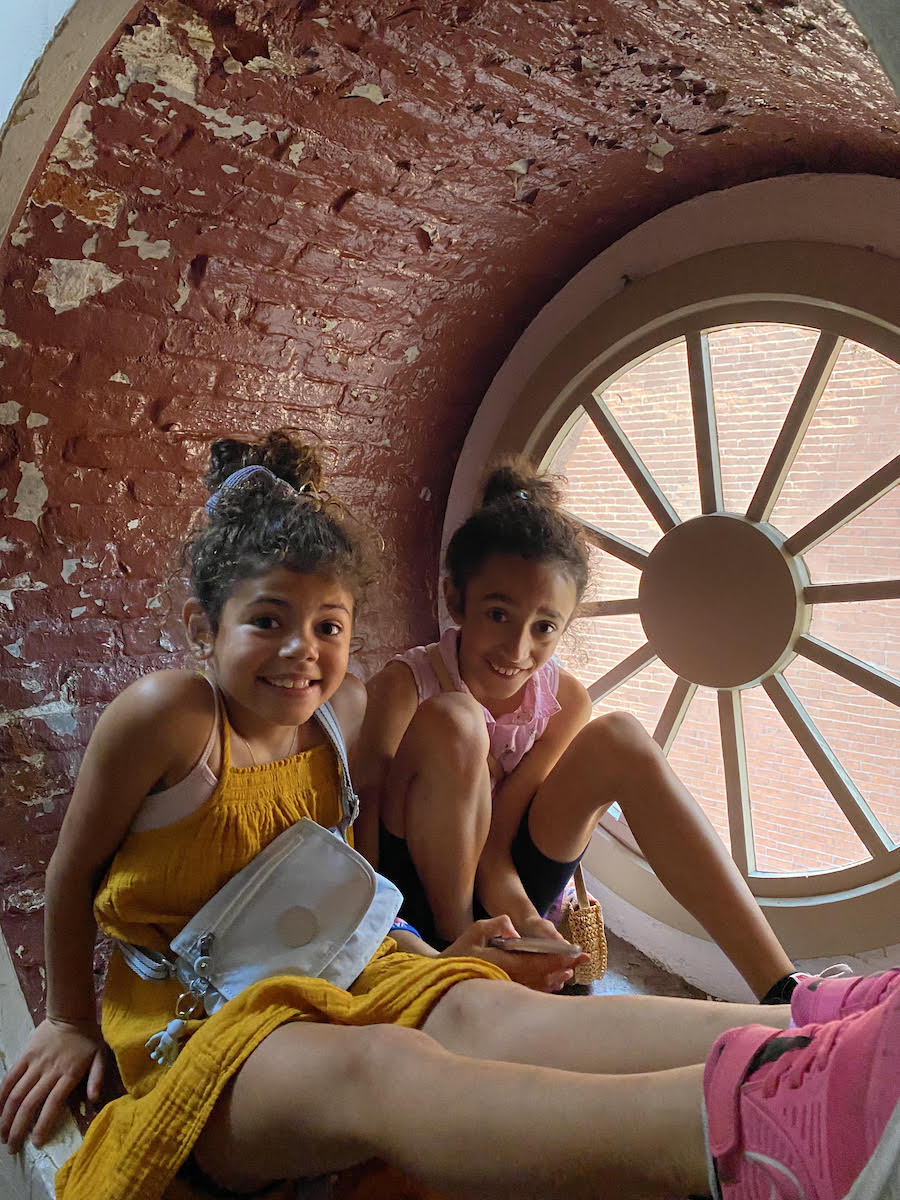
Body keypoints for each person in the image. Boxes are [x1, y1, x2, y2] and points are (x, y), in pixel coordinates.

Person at [0, 429, 896, 1200]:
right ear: (204, 627)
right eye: (267, 621)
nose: (300, 653)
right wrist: (69, 1020)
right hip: (193, 1026)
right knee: (381, 1071)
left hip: (334, 975)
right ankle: (760, 1133)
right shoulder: (169, 716)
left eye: (328, 625)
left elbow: (346, 890)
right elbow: (71, 873)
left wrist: (444, 958)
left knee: (491, 1014)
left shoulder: (333, 725)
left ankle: (820, 1031)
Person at [358, 462, 807, 1002]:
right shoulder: (405, 685)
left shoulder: (564, 700)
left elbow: (498, 847)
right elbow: (362, 841)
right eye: (498, 614)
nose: (517, 650)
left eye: (544, 627)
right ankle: (463, 965)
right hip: (418, 905)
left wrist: (525, 918)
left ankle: (783, 986)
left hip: (504, 886)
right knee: (457, 721)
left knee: (620, 735)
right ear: (457, 600)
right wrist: (400, 945)